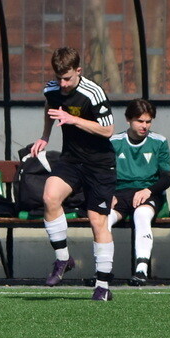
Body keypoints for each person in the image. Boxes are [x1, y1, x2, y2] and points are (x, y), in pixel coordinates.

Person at [32, 47, 119, 301]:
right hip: (71, 159)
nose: (63, 84)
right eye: (59, 78)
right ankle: (63, 259)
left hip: (99, 164)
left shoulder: (93, 93)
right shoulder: (52, 89)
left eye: (67, 78)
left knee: (97, 221)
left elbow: (108, 130)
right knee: (50, 197)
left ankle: (102, 286)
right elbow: (49, 106)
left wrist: (73, 120)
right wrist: (45, 136)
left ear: (78, 71)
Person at [107, 99, 170, 285]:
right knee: (104, 218)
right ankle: (103, 270)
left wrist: (148, 190)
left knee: (142, 214)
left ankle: (141, 271)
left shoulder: (159, 142)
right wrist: (107, 194)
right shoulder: (114, 141)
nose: (144, 126)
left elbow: (166, 178)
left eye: (148, 121)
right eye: (139, 121)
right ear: (128, 119)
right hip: (120, 194)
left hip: (148, 193)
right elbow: (103, 173)